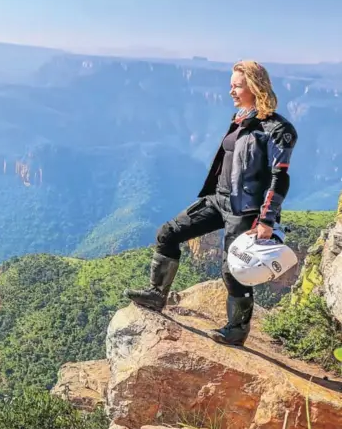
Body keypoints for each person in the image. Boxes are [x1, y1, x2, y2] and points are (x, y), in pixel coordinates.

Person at [123, 60, 298, 347]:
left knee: (235, 269)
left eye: (237, 85)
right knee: (168, 233)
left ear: (254, 86)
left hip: (246, 210)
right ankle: (156, 294)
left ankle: (236, 330)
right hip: (217, 199)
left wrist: (266, 220)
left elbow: (280, 178)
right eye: (231, 85)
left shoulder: (278, 129)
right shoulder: (240, 116)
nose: (231, 90)